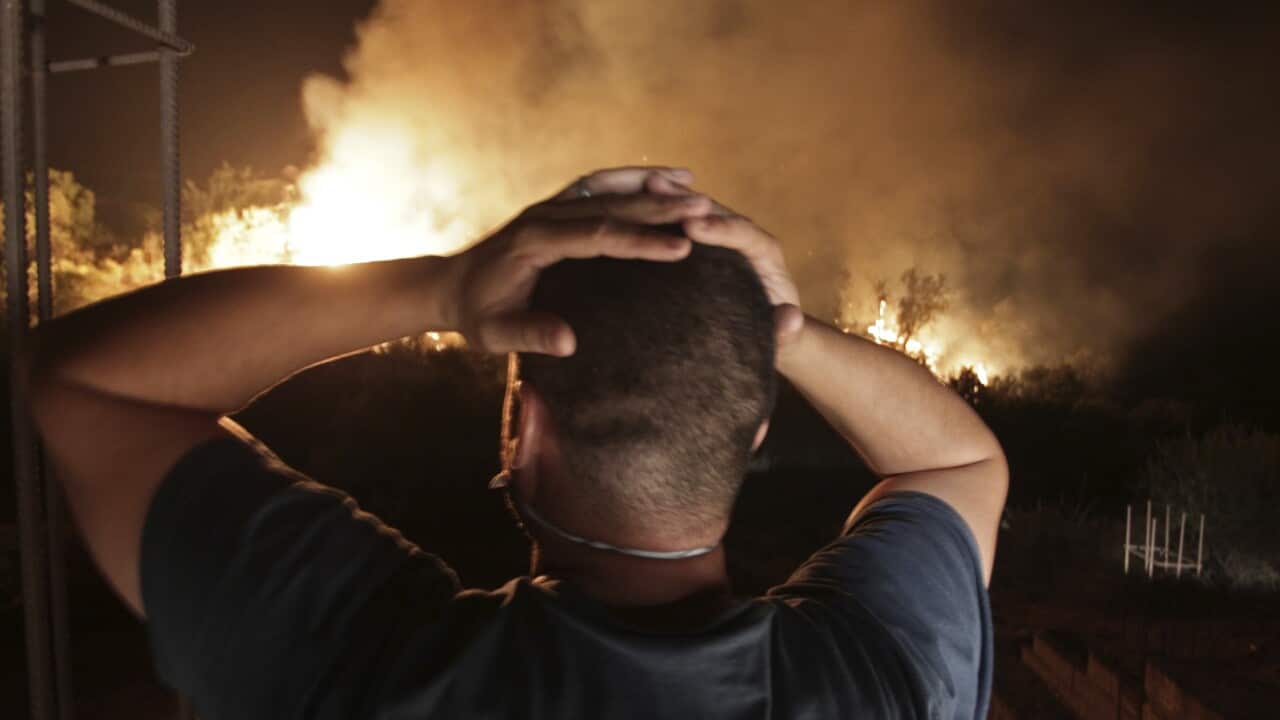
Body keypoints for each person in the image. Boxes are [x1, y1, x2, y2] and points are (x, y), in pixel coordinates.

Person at [29, 166, 1007, 719]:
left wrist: (443, 290)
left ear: (523, 426)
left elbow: (84, 381)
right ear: (750, 431)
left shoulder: (366, 661)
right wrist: (781, 326)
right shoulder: (877, 682)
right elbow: (957, 465)